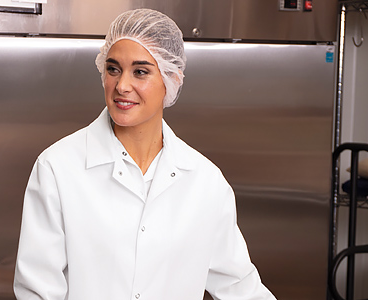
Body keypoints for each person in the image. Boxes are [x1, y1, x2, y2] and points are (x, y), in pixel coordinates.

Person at [14, 8, 276, 300]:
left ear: (171, 79)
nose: (122, 86)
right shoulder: (58, 168)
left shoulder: (205, 182)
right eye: (113, 69)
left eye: (140, 72)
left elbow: (240, 289)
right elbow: (38, 292)